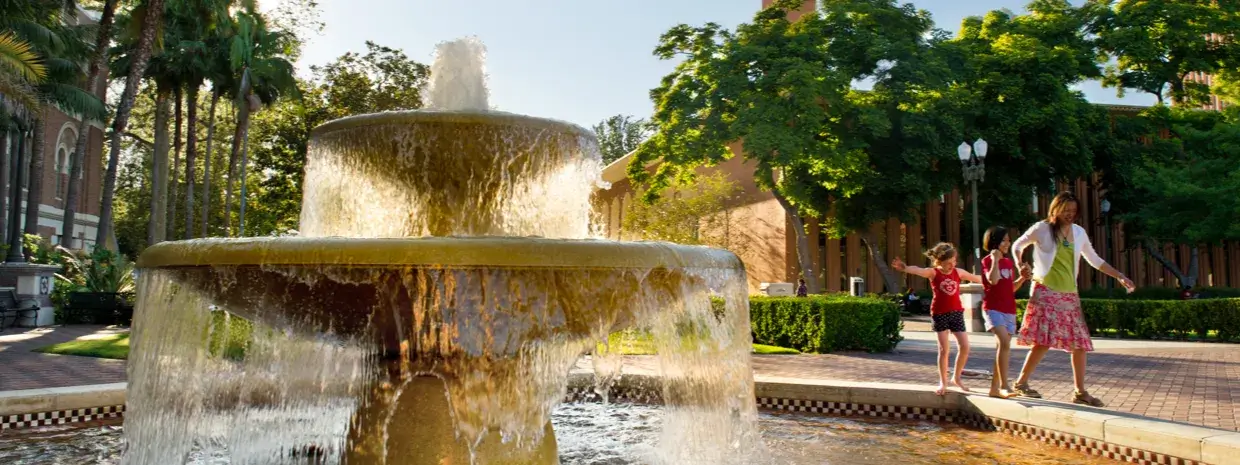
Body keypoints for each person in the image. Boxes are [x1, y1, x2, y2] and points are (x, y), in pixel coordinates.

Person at [1010, 192, 1136, 407]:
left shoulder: (1079, 233)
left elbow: (1095, 260)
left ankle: (1080, 391)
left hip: (1069, 294)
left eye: (1073, 211)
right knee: (1043, 341)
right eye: (1065, 210)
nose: (1070, 215)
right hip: (1045, 290)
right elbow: (1017, 245)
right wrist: (1020, 263)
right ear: (1055, 209)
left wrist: (1120, 276)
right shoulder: (1042, 228)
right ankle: (1020, 383)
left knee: (1079, 343)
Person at [892, 243, 984, 396]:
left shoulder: (958, 272)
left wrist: (996, 280)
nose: (951, 265)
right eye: (948, 263)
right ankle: (943, 381)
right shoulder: (933, 273)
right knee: (943, 350)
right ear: (939, 262)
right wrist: (905, 268)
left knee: (965, 346)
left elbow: (977, 278)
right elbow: (918, 270)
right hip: (939, 313)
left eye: (953, 261)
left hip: (956, 313)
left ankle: (956, 377)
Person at [979, 226, 1032, 399]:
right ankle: (1004, 385)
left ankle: (994, 389)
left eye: (1009, 240)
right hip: (993, 308)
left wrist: (1022, 277)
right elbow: (993, 280)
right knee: (1004, 343)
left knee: (1001, 348)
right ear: (993, 242)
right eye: (1004, 240)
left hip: (1009, 309)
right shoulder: (988, 261)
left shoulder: (1009, 263)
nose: (1008, 243)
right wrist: (995, 259)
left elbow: (1011, 289)